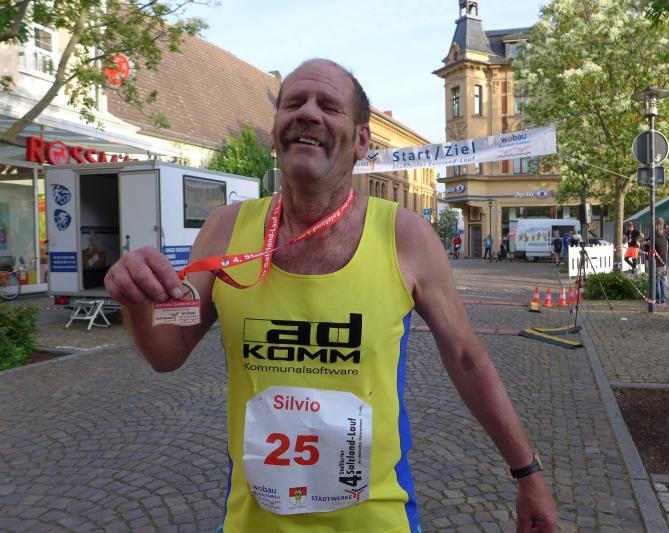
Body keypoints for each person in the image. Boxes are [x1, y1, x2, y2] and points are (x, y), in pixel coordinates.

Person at [103, 59, 557, 533]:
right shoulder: (225, 229)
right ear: (275, 132)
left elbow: (467, 359)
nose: (308, 113)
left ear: (361, 141)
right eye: (293, 103)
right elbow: (168, 353)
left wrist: (528, 473)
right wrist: (136, 302)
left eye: (329, 106)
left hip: (377, 521)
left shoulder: (405, 237)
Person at [654, 225, 669, 304]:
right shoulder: (666, 241)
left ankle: (658, 299)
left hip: (657, 265)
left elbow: (651, 251)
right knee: (662, 282)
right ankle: (663, 299)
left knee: (657, 282)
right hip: (664, 264)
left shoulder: (655, 241)